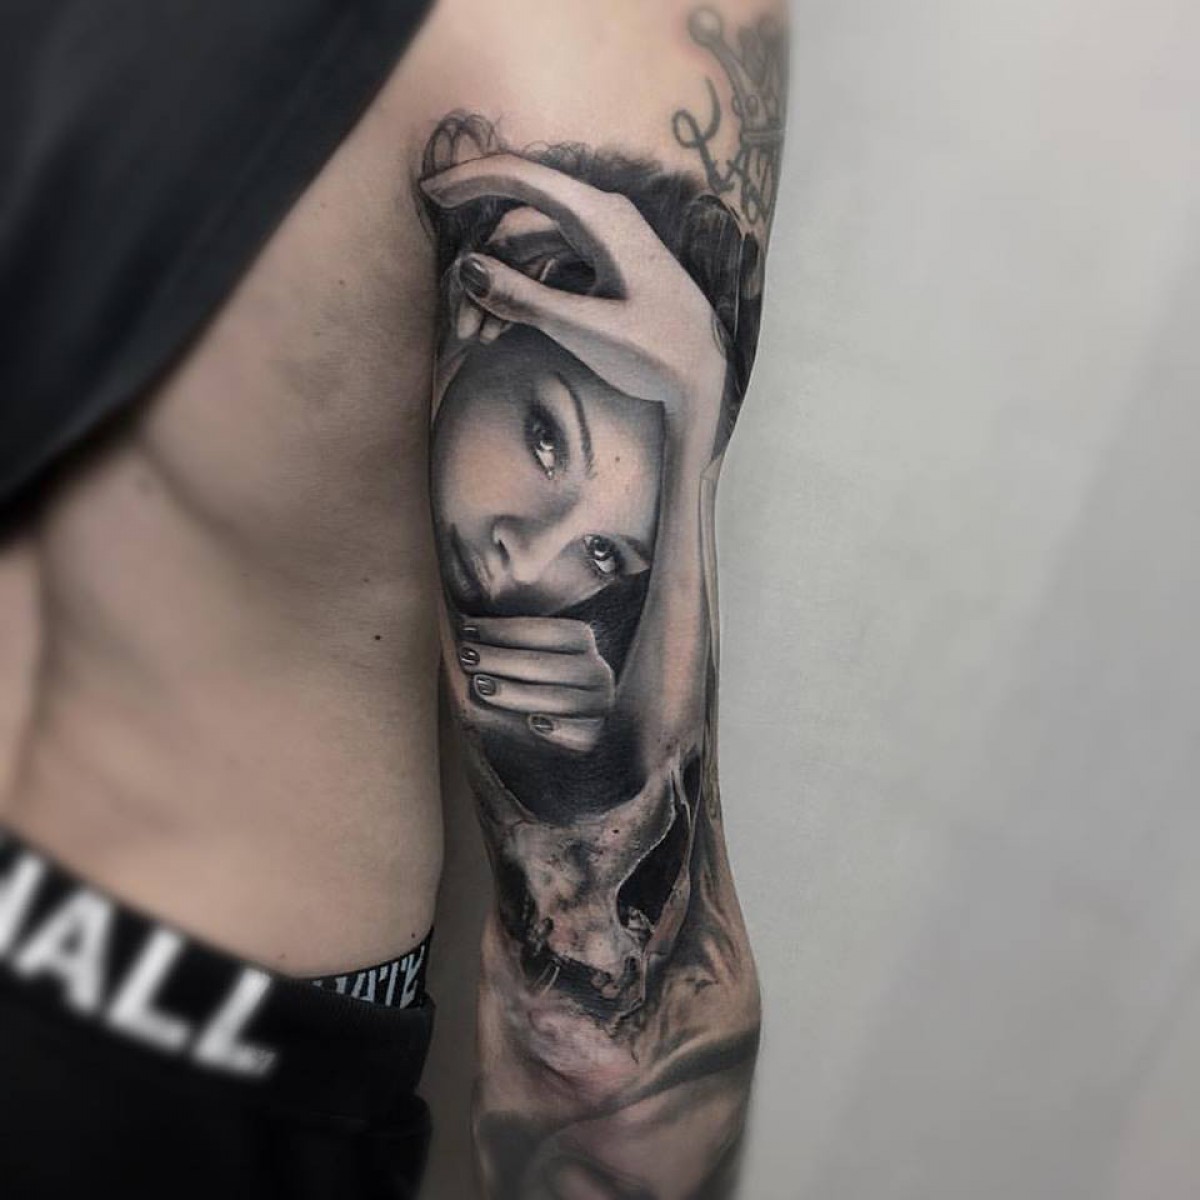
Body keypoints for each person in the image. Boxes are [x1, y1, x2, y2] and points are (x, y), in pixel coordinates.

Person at [0, 2, 787, 1196]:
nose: (533, 560)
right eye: (545, 433)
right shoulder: (632, 37)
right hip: (174, 1063)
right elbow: (604, 1065)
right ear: (490, 287)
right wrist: (684, 390)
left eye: (603, 560)